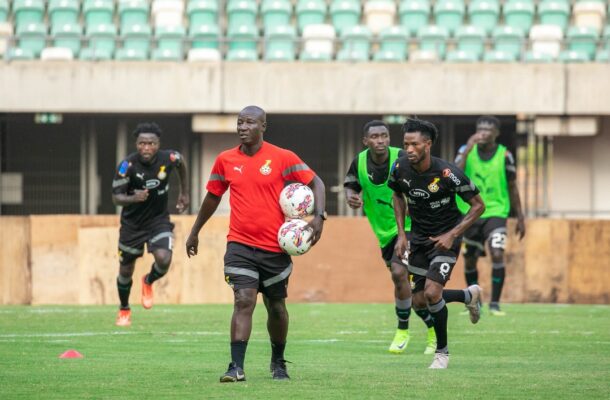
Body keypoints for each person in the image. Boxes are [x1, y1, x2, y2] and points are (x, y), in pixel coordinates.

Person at [185, 106, 326, 383]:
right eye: (239, 122)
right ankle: (235, 367)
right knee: (243, 299)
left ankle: (278, 361)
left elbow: (316, 182)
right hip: (239, 245)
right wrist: (195, 230)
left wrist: (319, 217)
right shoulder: (225, 160)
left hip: (275, 247)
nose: (242, 127)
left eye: (249, 122)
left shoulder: (283, 157)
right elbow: (213, 197)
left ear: (263, 126)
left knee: (276, 306)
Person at [389, 118, 485, 369]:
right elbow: (397, 196)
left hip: (446, 239)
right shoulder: (399, 168)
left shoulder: (448, 173)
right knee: (418, 300)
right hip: (418, 238)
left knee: (432, 293)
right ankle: (468, 296)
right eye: (406, 144)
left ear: (428, 144)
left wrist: (453, 234)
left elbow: (478, 206)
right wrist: (402, 234)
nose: (408, 149)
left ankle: (442, 353)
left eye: (414, 144)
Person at [343, 120, 437, 355]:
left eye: (384, 136)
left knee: (399, 273)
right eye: (375, 137)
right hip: (385, 234)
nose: (381, 141)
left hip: (413, 229)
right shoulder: (359, 161)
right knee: (415, 296)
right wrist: (351, 196)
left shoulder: (403, 157)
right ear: (366, 141)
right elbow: (350, 185)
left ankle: (402, 330)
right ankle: (433, 329)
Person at [111, 122, 190, 327]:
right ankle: (124, 309)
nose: (146, 148)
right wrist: (132, 197)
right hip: (132, 226)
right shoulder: (127, 166)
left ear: (158, 144)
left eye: (151, 143)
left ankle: (148, 281)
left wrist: (184, 192)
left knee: (164, 259)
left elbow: (181, 163)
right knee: (126, 270)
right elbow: (116, 197)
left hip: (158, 221)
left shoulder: (169, 158)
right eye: (142, 143)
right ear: (136, 144)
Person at [455, 116, 526, 316]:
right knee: (469, 258)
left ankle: (495, 303)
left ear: (496, 133)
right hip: (470, 211)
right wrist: (468, 148)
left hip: (496, 211)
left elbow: (513, 186)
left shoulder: (505, 156)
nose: (483, 132)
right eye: (480, 128)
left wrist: (520, 217)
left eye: (488, 129)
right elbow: (454, 175)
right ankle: (474, 302)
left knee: (496, 252)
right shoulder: (465, 151)